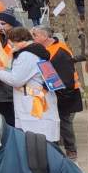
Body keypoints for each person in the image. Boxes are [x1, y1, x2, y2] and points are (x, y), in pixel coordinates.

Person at [0, 26, 60, 143]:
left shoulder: (27, 56)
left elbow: (16, 80)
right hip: (38, 101)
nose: (11, 47)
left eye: (12, 44)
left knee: (37, 143)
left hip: (33, 106)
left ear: (18, 41)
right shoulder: (36, 51)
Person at [32, 26, 83, 159]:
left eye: (35, 35)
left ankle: (71, 150)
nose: (33, 38)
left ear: (45, 37)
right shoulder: (46, 49)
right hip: (57, 90)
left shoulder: (59, 50)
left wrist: (50, 90)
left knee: (64, 121)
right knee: (58, 121)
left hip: (66, 92)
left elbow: (66, 76)